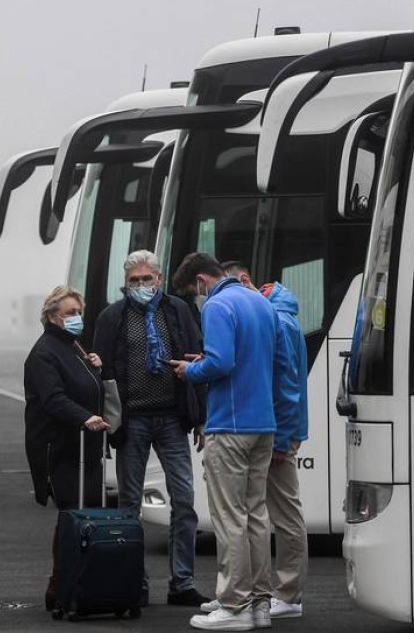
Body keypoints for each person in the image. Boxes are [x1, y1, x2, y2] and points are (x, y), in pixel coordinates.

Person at [169, 253, 285, 632]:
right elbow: (267, 360)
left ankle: (234, 606)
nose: (197, 298)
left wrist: (191, 369)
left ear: (202, 280)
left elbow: (220, 363)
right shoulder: (260, 303)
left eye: (193, 291)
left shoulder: (218, 305)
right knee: (256, 515)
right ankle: (260, 603)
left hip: (230, 425)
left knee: (229, 517)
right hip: (263, 423)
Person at [92, 250, 209, 607]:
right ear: (126, 283)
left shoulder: (178, 311)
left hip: (173, 418)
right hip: (134, 421)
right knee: (128, 505)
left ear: (159, 279)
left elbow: (197, 358)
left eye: (147, 279)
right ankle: (134, 583)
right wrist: (110, 427)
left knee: (185, 501)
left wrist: (200, 415)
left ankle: (182, 583)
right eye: (134, 281)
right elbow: (103, 375)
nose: (141, 286)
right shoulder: (112, 317)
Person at [223, 262, 308, 620]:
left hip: (278, 434)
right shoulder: (279, 314)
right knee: (271, 512)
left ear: (245, 282)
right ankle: (273, 593)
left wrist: (281, 440)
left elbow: (285, 388)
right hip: (276, 430)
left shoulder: (278, 321)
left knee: (285, 515)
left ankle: (288, 594)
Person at [23, 286, 109, 612]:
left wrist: (97, 369)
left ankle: (79, 582)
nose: (76, 319)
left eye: (78, 312)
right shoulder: (45, 352)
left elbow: (83, 385)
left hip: (86, 446)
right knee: (71, 512)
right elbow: (54, 398)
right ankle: (61, 586)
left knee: (83, 514)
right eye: (69, 313)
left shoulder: (72, 346)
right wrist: (85, 417)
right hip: (58, 447)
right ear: (51, 316)